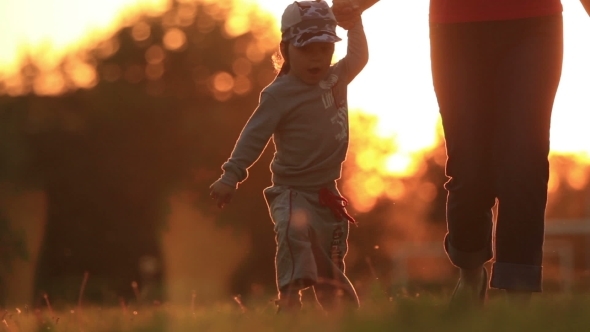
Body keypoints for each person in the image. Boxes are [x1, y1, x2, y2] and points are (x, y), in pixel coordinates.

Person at [334, 0, 590, 307]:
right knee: (468, 165)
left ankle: (518, 293)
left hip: (533, 22)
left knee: (524, 162)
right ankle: (471, 271)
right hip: (456, 26)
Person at [209, 0, 368, 312]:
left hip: (327, 192)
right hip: (291, 189)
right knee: (292, 231)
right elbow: (254, 135)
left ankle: (343, 316)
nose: (316, 58)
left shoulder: (335, 79)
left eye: (324, 49)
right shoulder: (279, 94)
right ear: (285, 50)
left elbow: (359, 57)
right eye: (306, 49)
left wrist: (355, 23)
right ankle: (289, 299)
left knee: (330, 267)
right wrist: (231, 175)